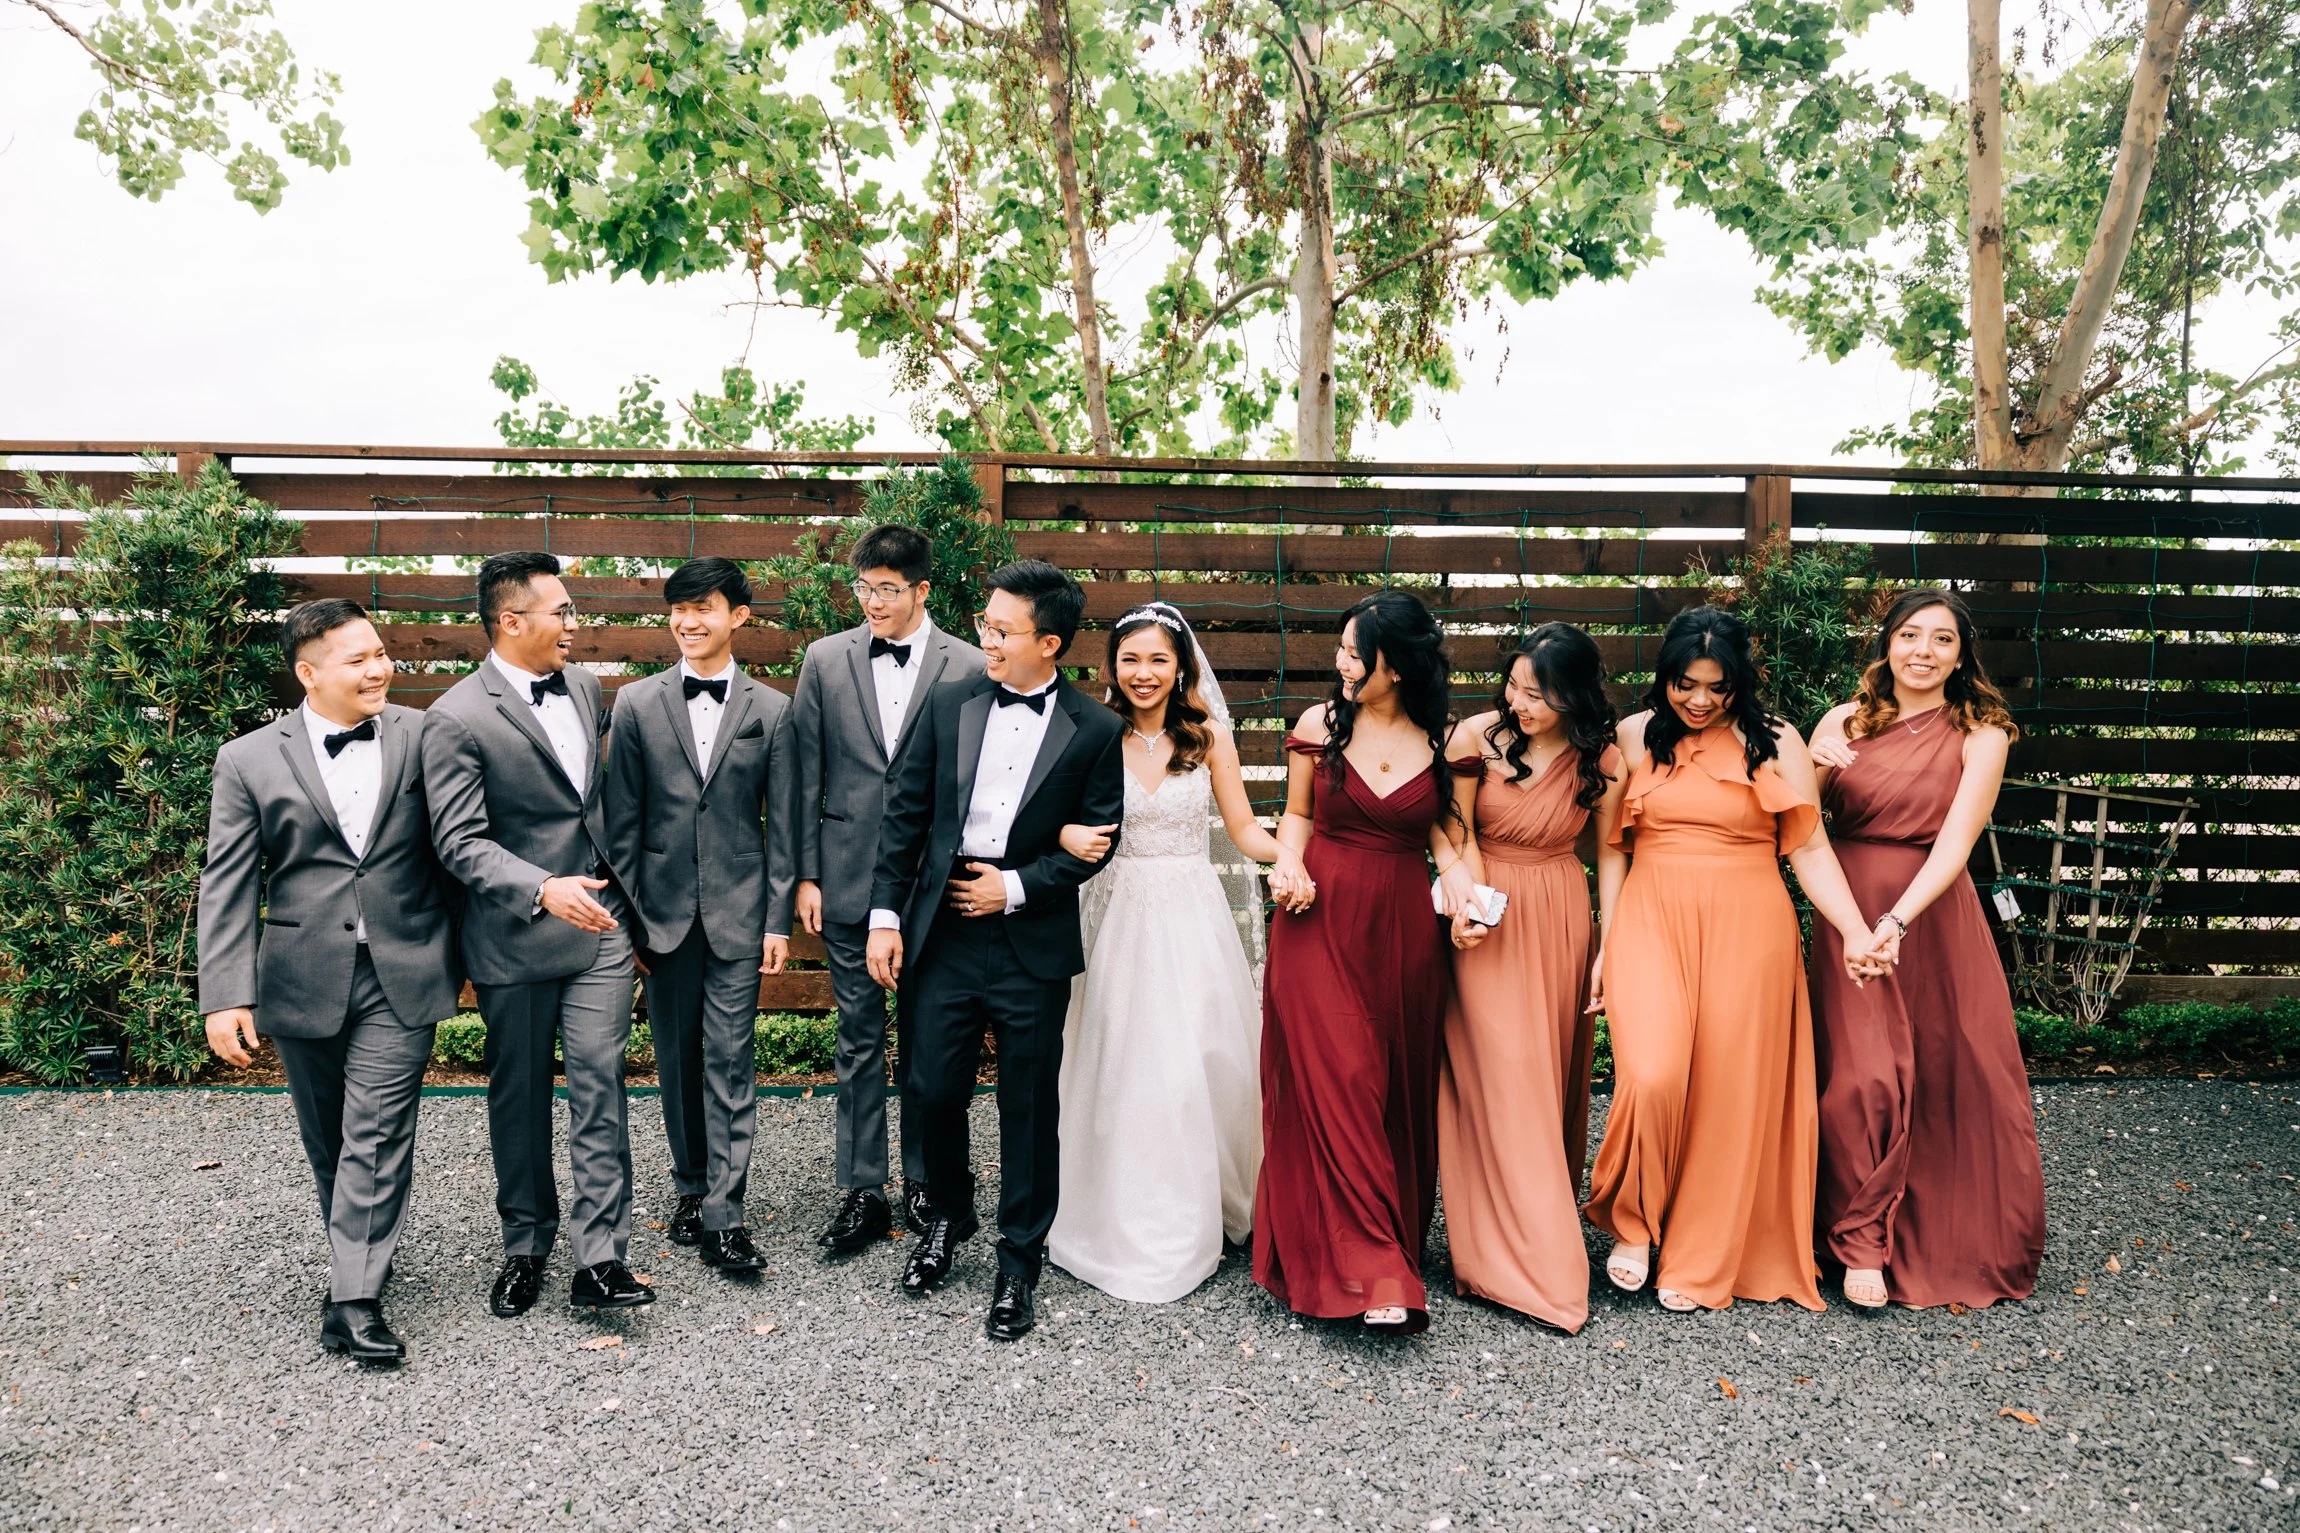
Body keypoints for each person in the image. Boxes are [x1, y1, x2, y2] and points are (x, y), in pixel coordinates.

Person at [1582, 605, 1890, 1314]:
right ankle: (1633, 1222)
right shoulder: (1632, 735)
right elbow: (1610, 849)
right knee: (1651, 1074)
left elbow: (1811, 848)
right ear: (1665, 675)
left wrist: (1853, 929)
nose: (1699, 700)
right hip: (1651, 917)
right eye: (1685, 684)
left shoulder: (1776, 740)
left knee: (1729, 1091)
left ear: (1739, 684)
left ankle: (1698, 1250)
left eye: (1716, 688)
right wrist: (1608, 941)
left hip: (1750, 925)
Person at [865, 560, 1126, 1341]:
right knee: (931, 1088)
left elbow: (1097, 842)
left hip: (1029, 941)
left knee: (1028, 1106)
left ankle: (1019, 1260)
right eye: (986, 623)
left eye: (1003, 629)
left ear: (1050, 643)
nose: (987, 638)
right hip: (943, 930)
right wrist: (885, 916)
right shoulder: (949, 703)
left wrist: (1012, 886)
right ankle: (948, 1216)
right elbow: (904, 816)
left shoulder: (1095, 729)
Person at [197, 599, 461, 1363]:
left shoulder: (425, 735)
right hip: (301, 972)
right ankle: (361, 1255)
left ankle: (353, 1298)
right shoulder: (246, 758)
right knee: (330, 1138)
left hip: (403, 967)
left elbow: (462, 845)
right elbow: (228, 880)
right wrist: (225, 993)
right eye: (358, 659)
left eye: (380, 652)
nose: (380, 668)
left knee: (377, 1127)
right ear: (309, 673)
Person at [1046, 601, 1312, 1303]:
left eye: (1158, 659)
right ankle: (1122, 1206)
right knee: (1122, 1056)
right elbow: (1052, 818)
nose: (1144, 672)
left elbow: (1244, 828)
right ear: (1112, 666)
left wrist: (1286, 856)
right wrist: (1065, 835)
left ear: (1181, 666)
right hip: (1116, 914)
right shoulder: (1090, 731)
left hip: (1191, 913)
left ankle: (1206, 1199)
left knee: (1199, 1058)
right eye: (1130, 658)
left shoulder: (1209, 736)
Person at [421, 551, 649, 1318]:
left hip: (600, 928)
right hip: (514, 936)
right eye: (562, 611)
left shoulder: (584, 687)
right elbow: (459, 840)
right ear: (511, 621)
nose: (575, 623)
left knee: (600, 1083)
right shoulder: (456, 716)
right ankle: (525, 1244)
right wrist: (541, 887)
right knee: (519, 1097)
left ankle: (601, 1257)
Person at [1806, 588, 2046, 1309]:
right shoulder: (1842, 720)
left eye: (1942, 639)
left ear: (1962, 656)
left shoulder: (1983, 732)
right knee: (1859, 1077)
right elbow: (1797, 826)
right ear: (1887, 643)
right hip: (1846, 908)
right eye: (1910, 634)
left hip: (1931, 916)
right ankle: (1856, 1240)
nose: (1923, 651)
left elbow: (1956, 842)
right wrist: (1812, 764)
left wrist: (1899, 920)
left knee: (1946, 1071)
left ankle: (1929, 1233)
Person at [1255, 591, 1485, 1335]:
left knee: (1390, 1090)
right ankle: (1378, 1269)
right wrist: (1287, 862)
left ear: (1399, 665)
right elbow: (1298, 815)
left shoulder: (1444, 738)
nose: (1342, 662)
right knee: (1341, 1080)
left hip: (1401, 933)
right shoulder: (1318, 725)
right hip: (1316, 917)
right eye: (1342, 649)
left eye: (1356, 653)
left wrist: (1462, 888)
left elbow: (1451, 838)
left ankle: (1368, 1243)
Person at [790, 525, 985, 1255]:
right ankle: (863, 1189)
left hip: (932, 889)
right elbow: (802, 773)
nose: (871, 601)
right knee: (858, 1039)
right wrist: (806, 874)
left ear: (922, 590)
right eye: (863, 588)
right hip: (843, 877)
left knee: (930, 1046)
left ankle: (927, 1182)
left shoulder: (970, 664)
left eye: (887, 589)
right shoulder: (824, 659)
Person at [603, 557, 797, 1277]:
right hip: (660, 914)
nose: (688, 621)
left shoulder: (772, 709)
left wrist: (778, 919)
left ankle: (725, 1213)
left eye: (703, 607)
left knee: (731, 1059)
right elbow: (621, 821)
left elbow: (785, 824)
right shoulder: (635, 703)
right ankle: (690, 1186)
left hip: (741, 913)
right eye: (678, 609)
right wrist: (627, 920)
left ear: (737, 616)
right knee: (677, 1060)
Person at [1435, 623, 1622, 1333]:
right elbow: (1454, 831)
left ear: (1575, 695)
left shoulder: (1602, 756)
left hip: (1561, 912)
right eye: (1514, 687)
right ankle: (1525, 1260)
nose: (1520, 704)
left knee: (1542, 1078)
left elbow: (1611, 856)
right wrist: (1471, 905)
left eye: (1538, 695)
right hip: (1486, 909)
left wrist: (1609, 946)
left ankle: (1533, 1235)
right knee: (1499, 1074)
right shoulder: (1475, 737)